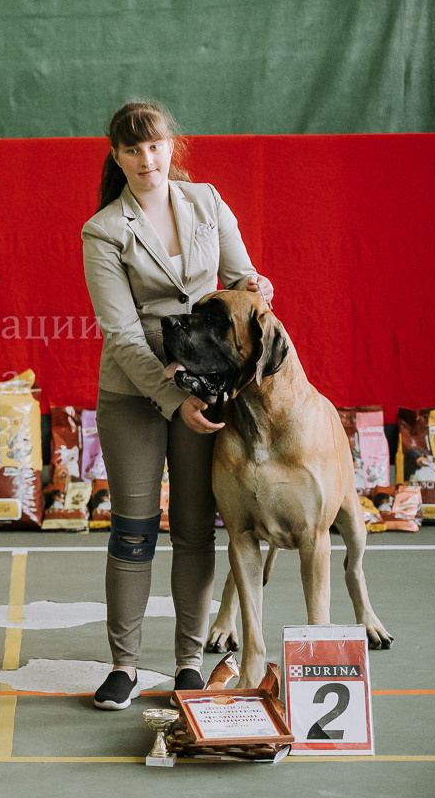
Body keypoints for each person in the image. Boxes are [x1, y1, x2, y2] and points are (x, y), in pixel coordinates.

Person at [81, 101, 274, 710]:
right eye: (132, 149)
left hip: (207, 386)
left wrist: (256, 286)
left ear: (172, 148)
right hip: (133, 393)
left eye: (155, 146)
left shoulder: (207, 202)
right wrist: (172, 397)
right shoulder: (103, 230)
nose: (146, 158)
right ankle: (124, 665)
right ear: (116, 156)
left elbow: (242, 279)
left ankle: (189, 662)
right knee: (134, 532)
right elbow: (122, 335)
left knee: (195, 531)